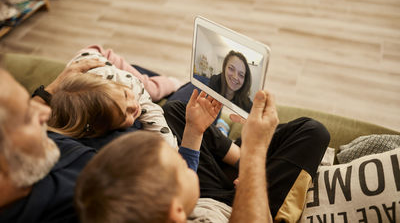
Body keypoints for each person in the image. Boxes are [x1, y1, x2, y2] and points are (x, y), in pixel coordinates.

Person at [75, 89, 330, 222]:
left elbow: (185, 165)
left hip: (203, 197)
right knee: (314, 132)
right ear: (175, 211)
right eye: (182, 169)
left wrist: (194, 132)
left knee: (174, 111)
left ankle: (235, 156)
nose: (188, 166)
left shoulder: (165, 210)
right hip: (238, 210)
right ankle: (245, 162)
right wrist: (254, 160)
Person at [0, 60, 101, 223]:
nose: (46, 111)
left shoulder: (24, 160)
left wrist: (49, 93)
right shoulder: (80, 208)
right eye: (27, 118)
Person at [47, 72, 177, 149]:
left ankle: (170, 81)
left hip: (119, 73)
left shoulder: (122, 81)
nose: (134, 106)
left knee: (151, 87)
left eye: (126, 95)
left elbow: (152, 113)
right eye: (123, 115)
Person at [73, 45, 183, 102]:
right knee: (137, 69)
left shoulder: (126, 81)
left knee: (151, 89)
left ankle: (175, 83)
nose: (135, 109)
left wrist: (174, 83)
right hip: (87, 68)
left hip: (94, 58)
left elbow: (151, 91)